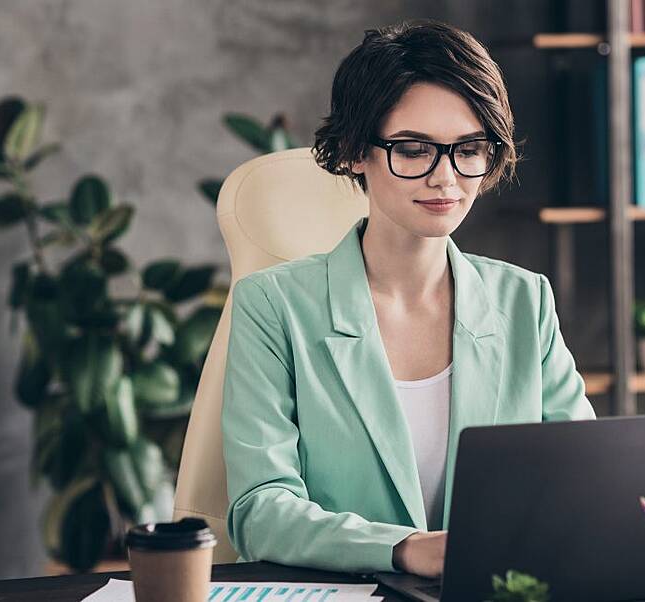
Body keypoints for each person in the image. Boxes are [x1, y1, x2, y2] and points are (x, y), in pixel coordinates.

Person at [222, 19, 595, 579]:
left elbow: (584, 477)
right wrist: (402, 548)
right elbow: (260, 510)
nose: (446, 177)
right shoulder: (273, 306)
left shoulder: (525, 300)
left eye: (469, 149)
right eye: (414, 149)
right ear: (353, 151)